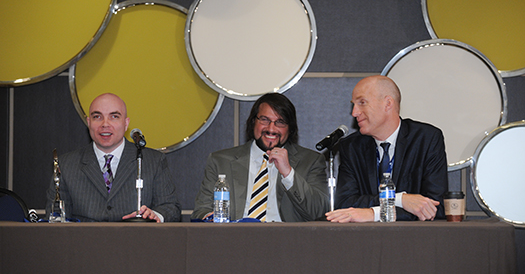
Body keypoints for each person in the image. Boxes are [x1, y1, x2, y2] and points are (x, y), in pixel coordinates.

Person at [326, 75, 448, 222]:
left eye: (362, 102)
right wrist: (400, 199)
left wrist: (373, 214)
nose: (354, 112)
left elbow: (435, 207)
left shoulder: (426, 139)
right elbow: (345, 203)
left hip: (414, 239)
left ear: (388, 103)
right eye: (354, 104)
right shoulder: (352, 147)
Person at [192, 93, 329, 222]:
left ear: (290, 128)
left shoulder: (311, 161)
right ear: (253, 122)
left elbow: (318, 212)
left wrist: (288, 173)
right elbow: (201, 210)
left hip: (287, 242)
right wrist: (210, 218)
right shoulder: (220, 161)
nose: (271, 128)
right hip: (235, 240)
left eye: (280, 122)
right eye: (264, 120)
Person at [45, 93, 181, 222]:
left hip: (136, 243)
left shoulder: (152, 161)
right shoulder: (67, 165)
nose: (105, 124)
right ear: (89, 122)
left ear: (126, 124)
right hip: (84, 244)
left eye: (114, 116)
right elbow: (56, 218)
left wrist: (155, 216)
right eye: (97, 117)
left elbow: (171, 208)